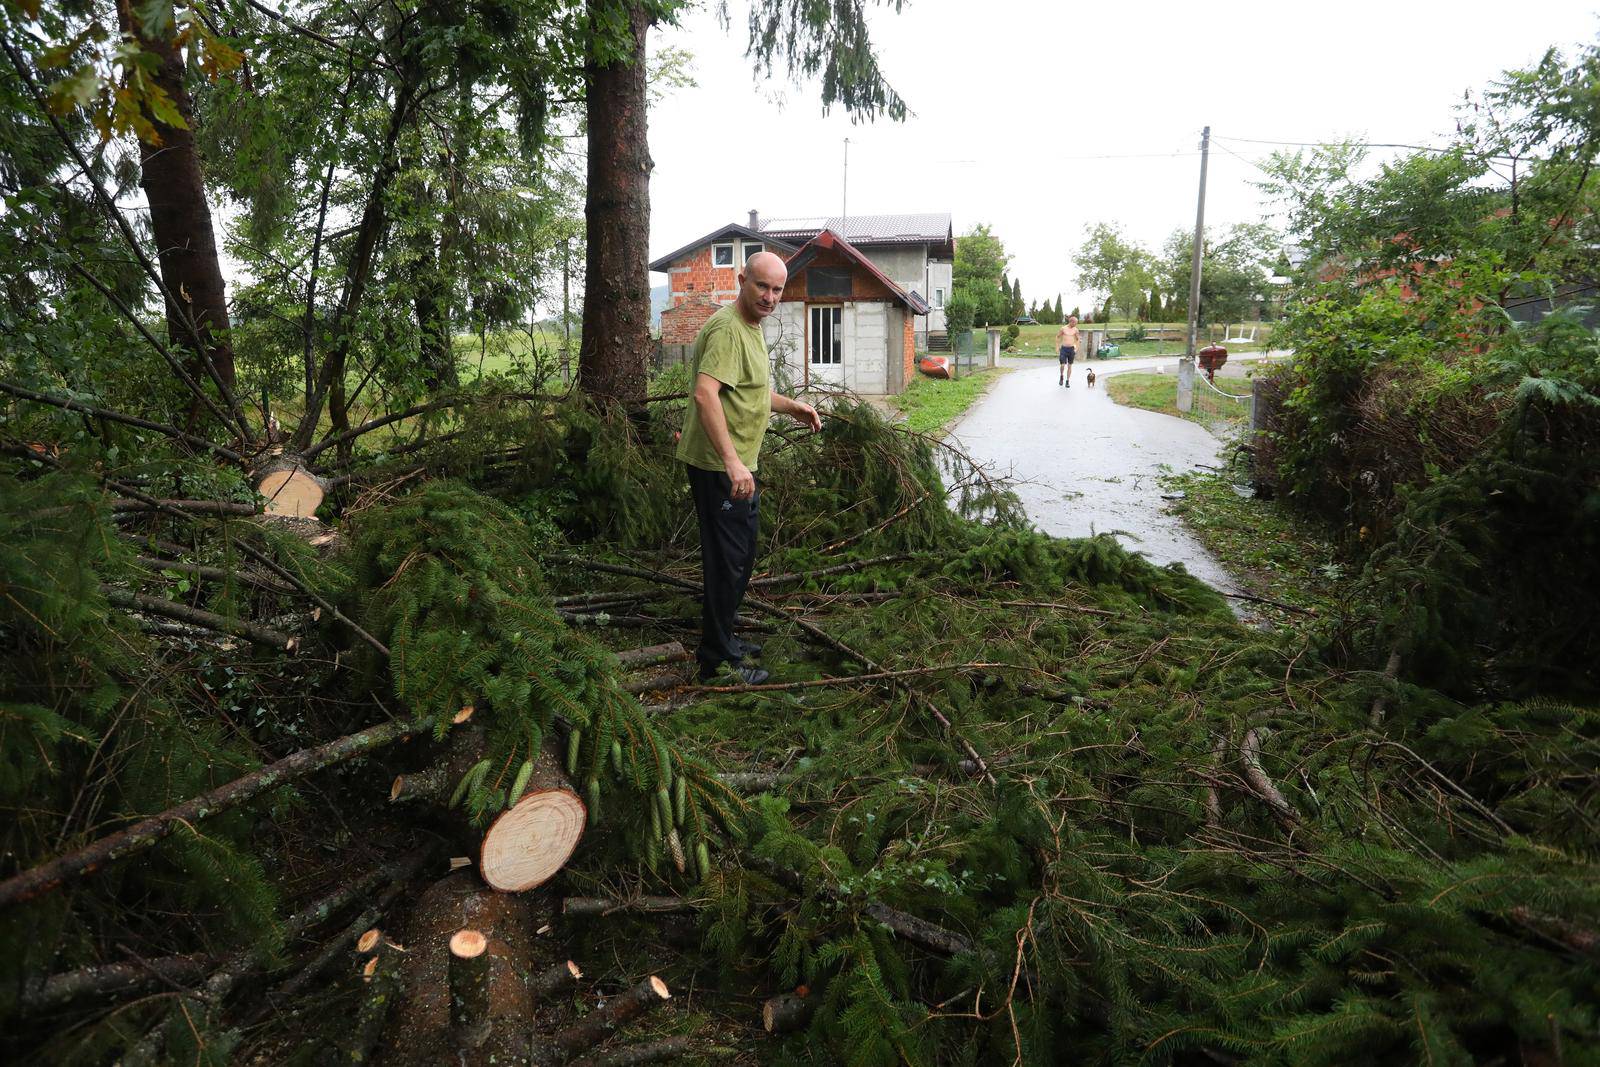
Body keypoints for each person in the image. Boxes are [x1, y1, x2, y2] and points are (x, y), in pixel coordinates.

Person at [677, 251, 820, 684]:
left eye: (778, 289)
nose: (770, 296)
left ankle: (727, 640)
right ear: (742, 280)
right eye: (762, 286)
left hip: (735, 466)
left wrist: (790, 405)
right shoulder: (727, 330)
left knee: (739, 557)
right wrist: (733, 462)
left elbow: (750, 392)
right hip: (721, 467)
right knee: (728, 562)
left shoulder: (751, 326)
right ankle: (717, 662)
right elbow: (706, 395)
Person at [1056, 316, 1080, 387]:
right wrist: (1057, 347)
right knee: (1062, 365)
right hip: (1063, 349)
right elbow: (1057, 336)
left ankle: (1067, 381)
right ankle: (1061, 376)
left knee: (1069, 366)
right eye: (1075, 323)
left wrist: (1076, 349)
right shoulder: (1063, 328)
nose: (1076, 324)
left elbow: (1078, 339)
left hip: (1071, 349)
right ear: (1071, 322)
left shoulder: (1076, 330)